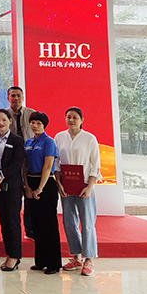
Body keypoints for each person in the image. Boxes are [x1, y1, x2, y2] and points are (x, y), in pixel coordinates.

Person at [54, 107, 101, 277]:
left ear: (81, 120)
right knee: (69, 221)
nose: (71, 120)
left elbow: (95, 165)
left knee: (87, 221)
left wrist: (90, 187)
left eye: (75, 117)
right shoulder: (59, 137)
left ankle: (89, 259)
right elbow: (56, 162)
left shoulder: (89, 138)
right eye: (68, 117)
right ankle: (76, 257)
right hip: (66, 186)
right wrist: (59, 183)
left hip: (84, 185)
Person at [24, 111, 61, 274]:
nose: (35, 125)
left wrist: (39, 188)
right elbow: (24, 165)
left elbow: (47, 166)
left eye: (38, 123)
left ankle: (53, 263)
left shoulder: (48, 141)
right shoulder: (28, 142)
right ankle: (40, 261)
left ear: (44, 125)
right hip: (30, 182)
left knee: (49, 224)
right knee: (36, 224)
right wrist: (27, 186)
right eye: (33, 122)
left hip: (45, 184)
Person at [0, 109, 25, 272]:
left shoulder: (17, 140)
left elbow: (17, 163)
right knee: (3, 220)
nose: (1, 123)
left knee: (12, 220)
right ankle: (8, 253)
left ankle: (15, 255)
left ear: (10, 121)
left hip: (12, 185)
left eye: (4, 120)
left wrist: (1, 176)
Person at [6, 86, 36, 240]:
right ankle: (14, 230)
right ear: (8, 98)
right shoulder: (4, 115)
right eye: (13, 96)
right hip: (12, 160)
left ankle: (30, 229)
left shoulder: (31, 113)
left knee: (30, 193)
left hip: (30, 158)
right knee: (14, 195)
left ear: (23, 97)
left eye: (18, 95)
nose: (16, 98)